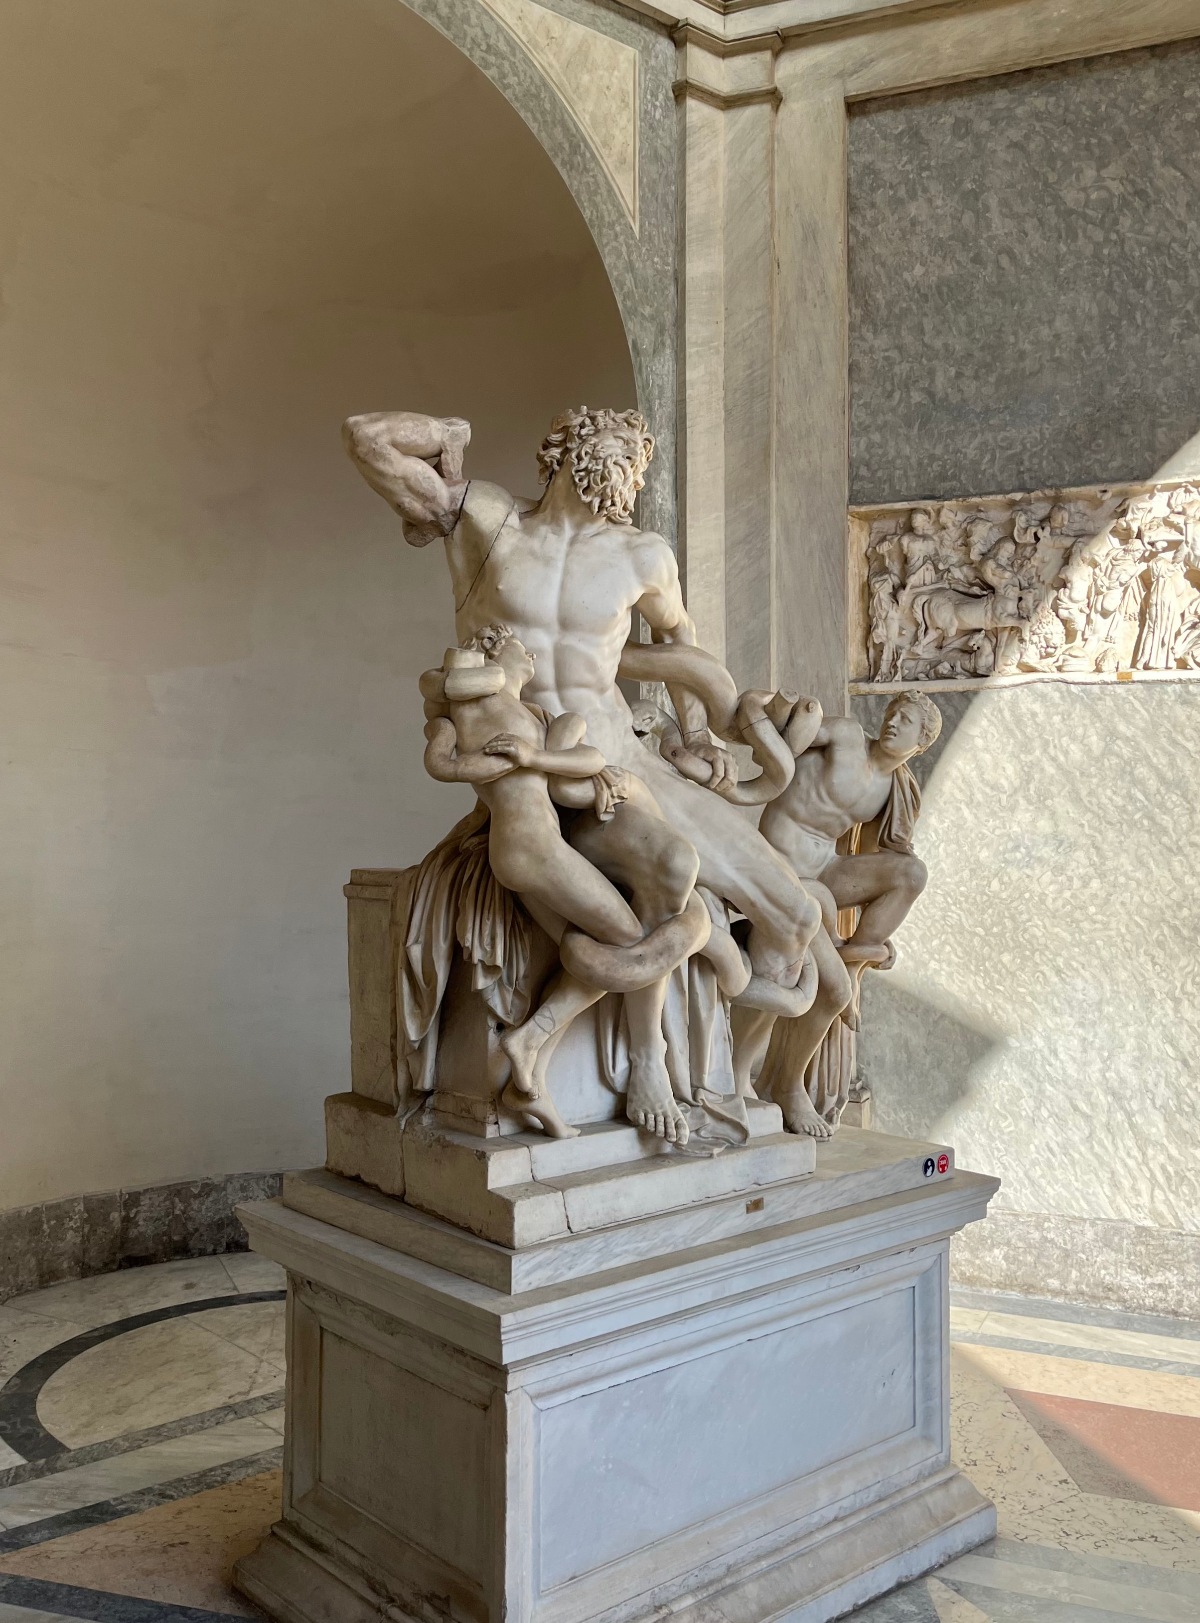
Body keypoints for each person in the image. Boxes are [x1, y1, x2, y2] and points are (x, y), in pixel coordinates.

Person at [344, 406, 828, 1142]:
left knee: (795, 914)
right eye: (610, 440)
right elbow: (368, 439)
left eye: (637, 451)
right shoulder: (491, 521)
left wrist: (698, 738)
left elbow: (681, 647)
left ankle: (757, 1083)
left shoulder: (644, 556)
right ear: (563, 448)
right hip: (536, 766)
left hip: (619, 753)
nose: (627, 455)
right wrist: (448, 434)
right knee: (672, 869)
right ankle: (647, 1059)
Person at [421, 627, 709, 1142]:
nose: (531, 654)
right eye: (518, 646)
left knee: (604, 945)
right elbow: (440, 760)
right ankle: (567, 1043)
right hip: (530, 849)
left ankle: (530, 1068)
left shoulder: (535, 717)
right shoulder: (463, 708)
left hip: (539, 847)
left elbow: (583, 764)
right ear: (490, 655)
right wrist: (493, 767)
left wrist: (531, 760)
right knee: (626, 940)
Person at [733, 691, 942, 1136]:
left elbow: (880, 855)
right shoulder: (846, 736)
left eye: (906, 721)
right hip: (774, 867)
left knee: (911, 873)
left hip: (823, 874)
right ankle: (782, 1084)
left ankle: (859, 951)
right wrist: (793, 714)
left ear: (921, 742)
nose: (893, 722)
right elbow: (788, 738)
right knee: (833, 992)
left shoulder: (894, 789)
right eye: (893, 713)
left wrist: (877, 930)